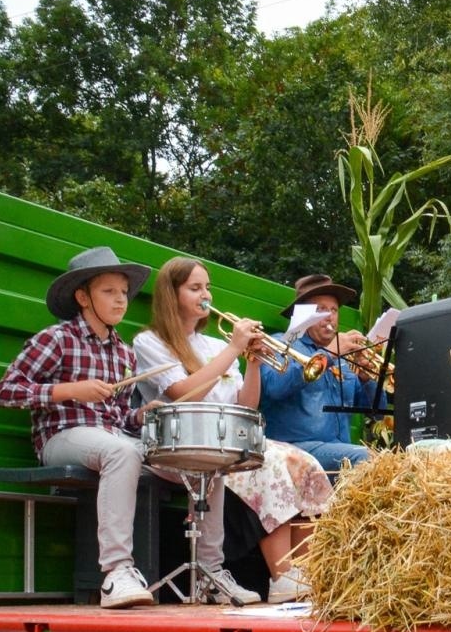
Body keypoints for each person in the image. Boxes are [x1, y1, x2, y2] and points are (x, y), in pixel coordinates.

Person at [0, 247, 259, 609]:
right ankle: (116, 572)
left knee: (206, 459)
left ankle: (212, 573)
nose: (120, 300)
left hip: (112, 436)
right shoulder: (56, 338)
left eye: (123, 292)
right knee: (120, 451)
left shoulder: (122, 352)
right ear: (82, 297)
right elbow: (5, 391)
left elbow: (118, 416)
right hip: (62, 436)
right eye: (108, 292)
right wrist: (70, 390)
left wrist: (144, 413)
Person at [132, 257, 333, 604]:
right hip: (179, 446)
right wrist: (235, 349)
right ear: (171, 294)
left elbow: (247, 406)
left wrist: (253, 363)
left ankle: (306, 573)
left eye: (207, 287)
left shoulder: (213, 346)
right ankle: (281, 576)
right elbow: (182, 392)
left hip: (225, 440)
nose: (205, 294)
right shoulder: (150, 342)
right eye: (195, 288)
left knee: (303, 462)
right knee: (266, 463)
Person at [259, 274, 387, 475]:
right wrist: (329, 355)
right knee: (367, 457)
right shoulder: (281, 344)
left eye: (334, 310)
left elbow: (378, 412)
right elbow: (275, 388)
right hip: (291, 448)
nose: (330, 316)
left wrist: (366, 377)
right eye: (321, 309)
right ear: (302, 315)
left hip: (337, 451)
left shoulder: (344, 357)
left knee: (385, 460)